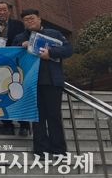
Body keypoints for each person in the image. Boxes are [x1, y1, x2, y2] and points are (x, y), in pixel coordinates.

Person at [13, 9, 72, 156]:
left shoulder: (54, 34)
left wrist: (51, 53)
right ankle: (40, 150)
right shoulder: (20, 37)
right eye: (26, 20)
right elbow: (12, 55)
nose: (29, 21)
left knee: (54, 116)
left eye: (32, 18)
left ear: (39, 19)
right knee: (36, 117)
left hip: (52, 81)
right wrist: (21, 45)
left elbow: (68, 49)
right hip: (31, 83)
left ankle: (58, 150)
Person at [0, 0, 29, 136]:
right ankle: (7, 124)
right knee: (1, 94)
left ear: (9, 11)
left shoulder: (18, 25)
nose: (2, 12)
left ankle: (24, 124)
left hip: (15, 64)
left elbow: (22, 40)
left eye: (4, 10)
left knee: (18, 93)